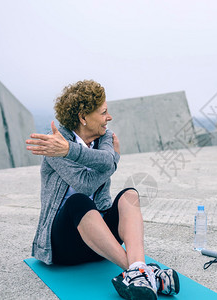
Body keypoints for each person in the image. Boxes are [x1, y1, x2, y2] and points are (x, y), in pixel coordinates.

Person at [26, 80, 179, 300]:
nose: (109, 117)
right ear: (83, 117)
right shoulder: (55, 145)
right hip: (64, 245)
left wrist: (73, 152)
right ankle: (146, 273)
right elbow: (86, 183)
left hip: (101, 244)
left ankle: (137, 272)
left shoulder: (104, 136)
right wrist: (102, 158)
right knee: (79, 200)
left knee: (130, 195)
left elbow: (108, 161)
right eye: (104, 112)